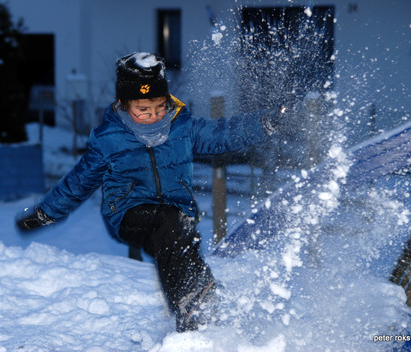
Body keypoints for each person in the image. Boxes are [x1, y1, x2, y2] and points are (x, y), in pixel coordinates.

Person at [16, 52, 278, 332]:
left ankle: (201, 309)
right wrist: (45, 213)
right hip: (129, 212)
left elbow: (220, 134)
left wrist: (263, 123)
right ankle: (191, 302)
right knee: (169, 226)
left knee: (180, 241)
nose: (153, 116)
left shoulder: (182, 126)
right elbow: (79, 181)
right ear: (124, 104)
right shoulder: (108, 139)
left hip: (176, 213)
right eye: (144, 110)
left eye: (159, 107)